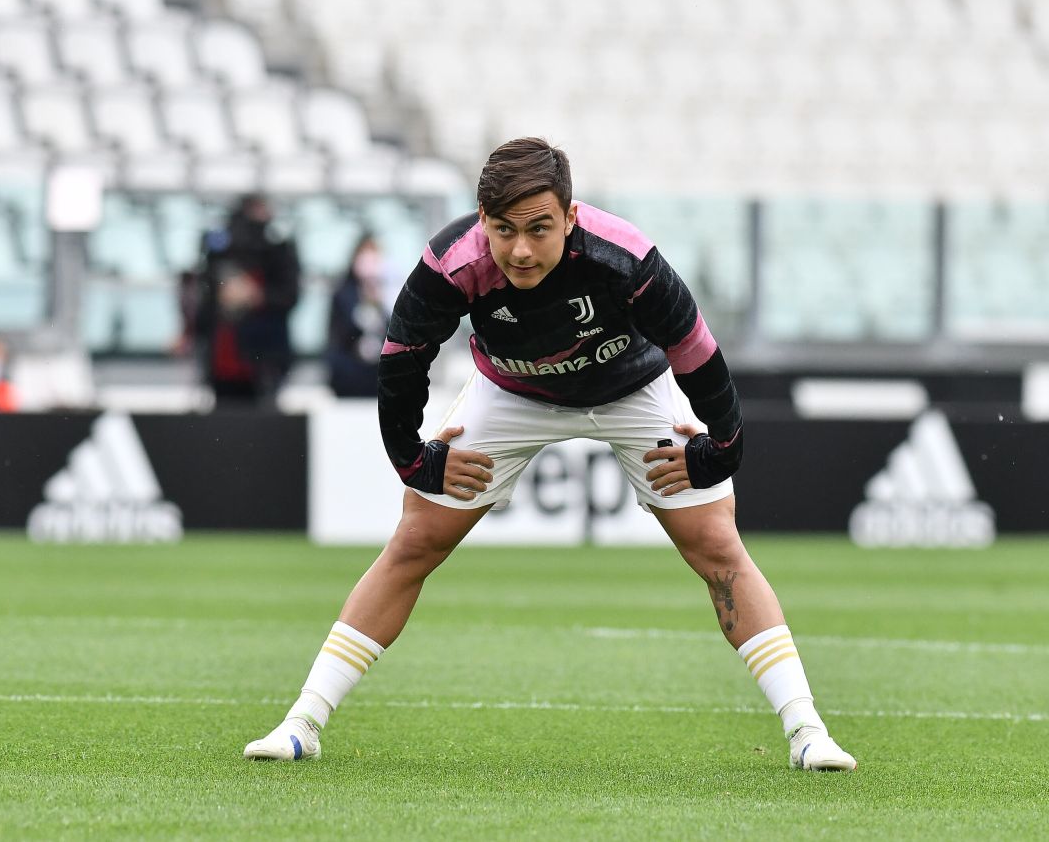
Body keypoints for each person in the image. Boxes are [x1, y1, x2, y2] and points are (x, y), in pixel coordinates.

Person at [244, 138, 856, 772]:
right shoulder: (451, 264)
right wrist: (413, 460)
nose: (520, 250)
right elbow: (402, 362)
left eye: (539, 229)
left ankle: (807, 732)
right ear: (482, 219)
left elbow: (696, 351)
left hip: (633, 389)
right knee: (415, 541)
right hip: (510, 392)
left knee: (718, 547)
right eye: (504, 230)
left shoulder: (624, 255)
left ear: (570, 217)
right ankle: (302, 723)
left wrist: (722, 450)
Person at [189, 194, 300, 404]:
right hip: (225, 358)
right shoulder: (220, 251)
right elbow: (205, 299)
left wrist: (256, 295)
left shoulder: (278, 250)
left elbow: (288, 295)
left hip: (263, 357)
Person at [325, 234, 390, 398]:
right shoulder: (343, 294)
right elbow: (339, 335)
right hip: (349, 376)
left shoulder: (388, 293)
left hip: (379, 378)